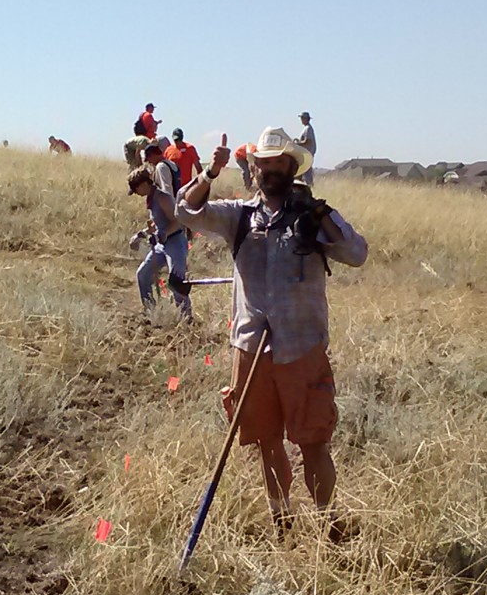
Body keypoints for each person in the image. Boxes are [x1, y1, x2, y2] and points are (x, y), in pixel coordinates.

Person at [175, 127, 368, 540]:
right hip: (251, 347)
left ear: (292, 166)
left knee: (313, 443)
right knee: (266, 442)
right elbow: (186, 212)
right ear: (253, 167)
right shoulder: (239, 216)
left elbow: (356, 253)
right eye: (261, 162)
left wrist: (318, 214)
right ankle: (282, 522)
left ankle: (327, 524)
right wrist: (209, 173)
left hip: (302, 348)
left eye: (278, 162)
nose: (268, 169)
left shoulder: (314, 216)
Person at [128, 166, 192, 322]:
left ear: (143, 184)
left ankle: (186, 319)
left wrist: (163, 234)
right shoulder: (151, 199)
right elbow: (157, 225)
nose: (137, 194)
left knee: (176, 281)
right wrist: (140, 235)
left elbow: (177, 221)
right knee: (142, 275)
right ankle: (151, 312)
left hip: (175, 243)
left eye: (136, 190)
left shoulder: (162, 197)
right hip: (161, 245)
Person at [294, 112, 316, 187]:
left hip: (307, 155)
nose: (301, 120)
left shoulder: (308, 129)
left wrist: (297, 144)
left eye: (302, 118)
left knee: (307, 173)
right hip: (307, 154)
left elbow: (308, 141)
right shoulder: (307, 128)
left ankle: (309, 188)